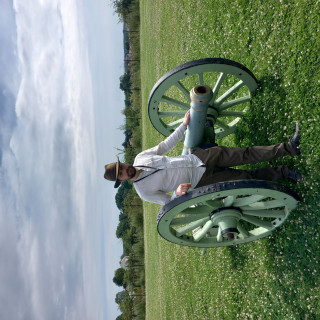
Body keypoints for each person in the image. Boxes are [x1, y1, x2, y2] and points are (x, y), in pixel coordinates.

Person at [104, 110, 302, 205]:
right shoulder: (143, 191)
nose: (124, 170)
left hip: (200, 158)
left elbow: (165, 146)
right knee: (246, 178)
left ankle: (289, 148)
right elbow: (167, 202)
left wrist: (183, 125)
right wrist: (176, 194)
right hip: (201, 181)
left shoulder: (140, 158)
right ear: (121, 180)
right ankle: (285, 172)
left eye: (121, 166)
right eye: (120, 174)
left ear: (124, 163)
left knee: (245, 154)